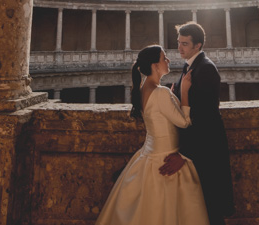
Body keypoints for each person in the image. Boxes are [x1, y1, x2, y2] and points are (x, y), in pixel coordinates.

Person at [96, 45, 210, 225]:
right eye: (164, 58)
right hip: (165, 159)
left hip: (148, 156)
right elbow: (184, 122)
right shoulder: (160, 92)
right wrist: (185, 91)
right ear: (155, 66)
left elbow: (159, 112)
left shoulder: (144, 88)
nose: (168, 60)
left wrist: (172, 97)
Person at [166, 22, 235, 225]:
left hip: (205, 152)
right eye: (179, 42)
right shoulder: (190, 65)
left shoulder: (205, 69)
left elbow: (206, 118)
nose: (180, 47)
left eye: (185, 44)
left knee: (211, 209)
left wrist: (184, 154)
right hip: (199, 150)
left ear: (198, 45)